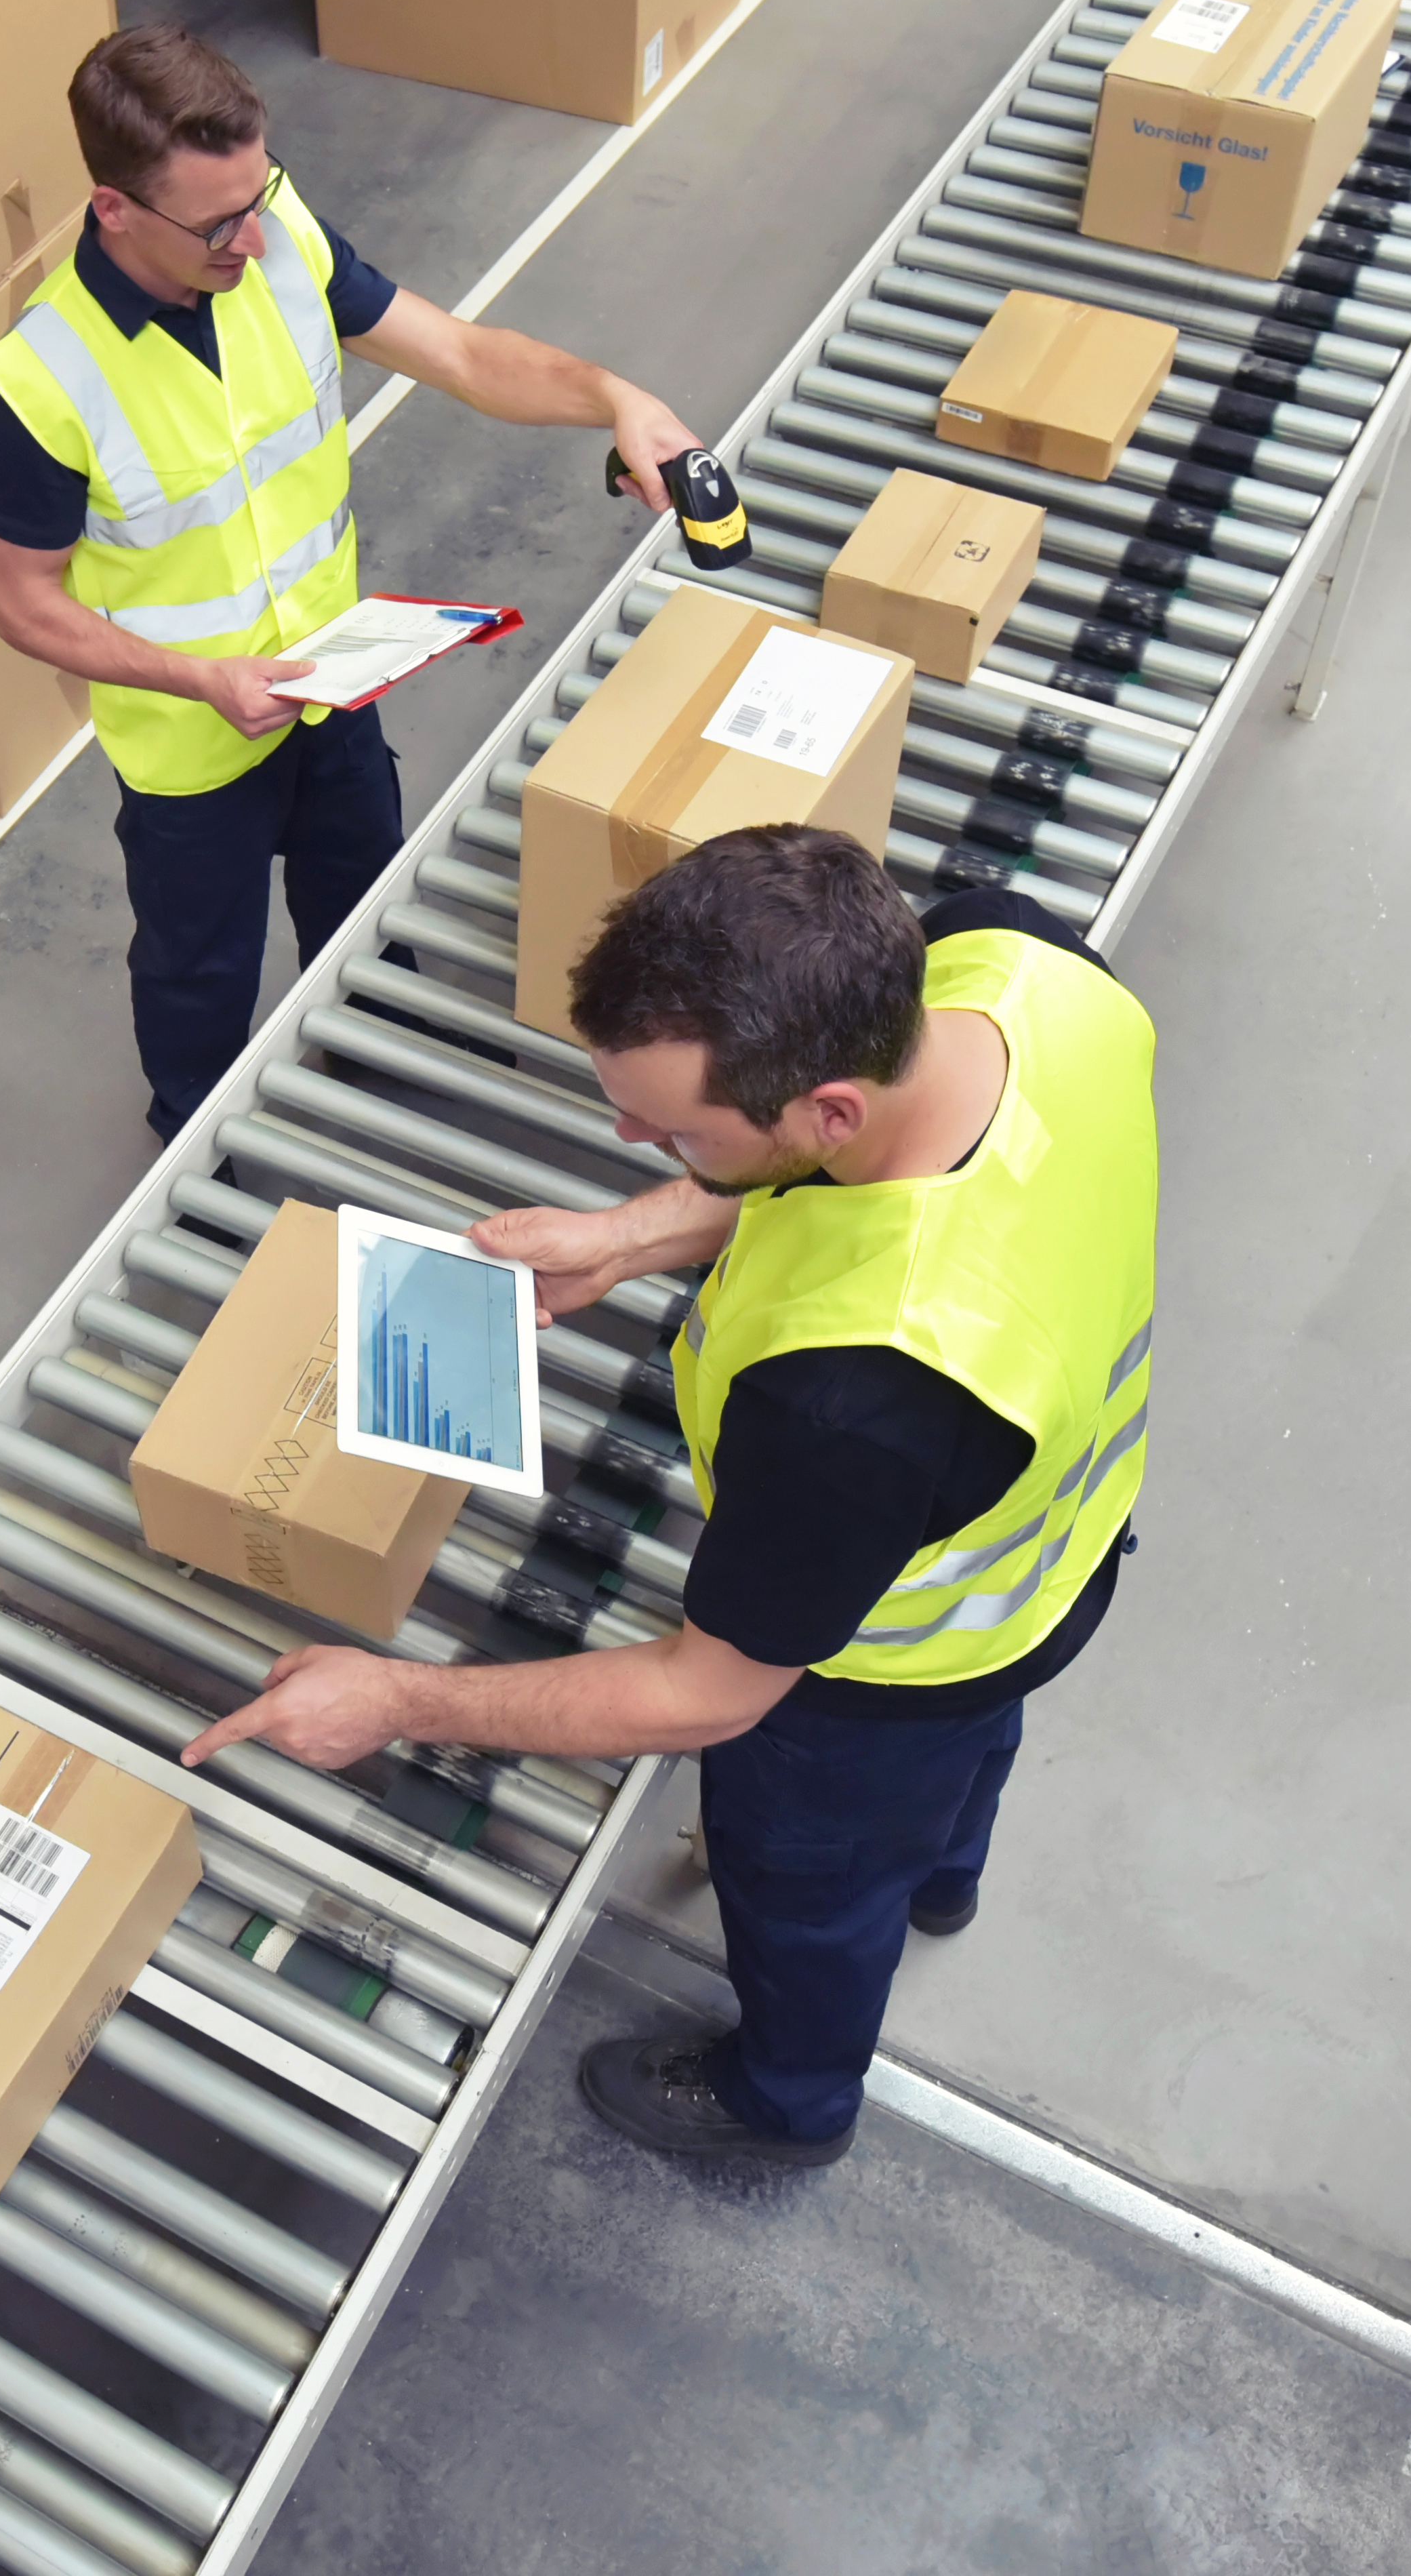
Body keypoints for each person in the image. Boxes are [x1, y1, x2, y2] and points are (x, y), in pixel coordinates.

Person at [184, 828, 1160, 2167]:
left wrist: (394, 1697)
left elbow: (707, 1694)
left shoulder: (855, 1397)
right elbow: (849, 1163)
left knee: (808, 1882)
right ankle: (944, 1874)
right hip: (1048, 1552)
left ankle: (785, 2099)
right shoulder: (1017, 966)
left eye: (675, 1131)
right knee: (964, 1758)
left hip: (885, 1666)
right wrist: (627, 1234)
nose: (634, 1140)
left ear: (821, 1110)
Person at [0, 25, 710, 1140]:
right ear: (115, 208)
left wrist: (614, 398)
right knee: (198, 973)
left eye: (259, 190)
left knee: (365, 898)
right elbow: (21, 602)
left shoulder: (278, 240)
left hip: (335, 680)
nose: (252, 234)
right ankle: (198, 1149)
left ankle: (378, 1048)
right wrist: (200, 677)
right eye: (219, 220)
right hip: (193, 744)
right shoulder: (42, 381)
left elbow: (458, 353)